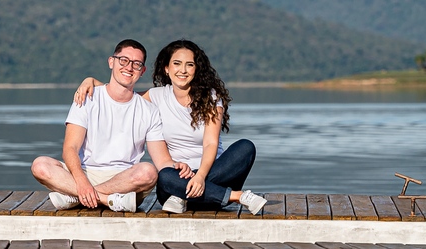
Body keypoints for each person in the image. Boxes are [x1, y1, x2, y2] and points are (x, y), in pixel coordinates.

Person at [73, 39, 266, 215]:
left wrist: (200, 177)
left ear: (196, 69)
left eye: (189, 65)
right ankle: (236, 196)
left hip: (214, 173)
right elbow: (121, 91)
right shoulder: (156, 96)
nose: (183, 70)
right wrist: (91, 81)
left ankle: (187, 197)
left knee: (245, 147)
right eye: (177, 64)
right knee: (164, 176)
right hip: (176, 178)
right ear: (166, 68)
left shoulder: (211, 97)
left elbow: (210, 143)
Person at [30, 39, 163, 212]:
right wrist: (81, 182)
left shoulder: (149, 110)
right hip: (85, 172)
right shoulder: (86, 96)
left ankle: (74, 197)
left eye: (136, 64)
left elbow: (160, 160)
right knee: (40, 165)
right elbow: (70, 148)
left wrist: (182, 170)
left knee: (148, 172)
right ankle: (107, 200)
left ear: (142, 71)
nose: (129, 67)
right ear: (111, 62)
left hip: (124, 180)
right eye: (123, 60)